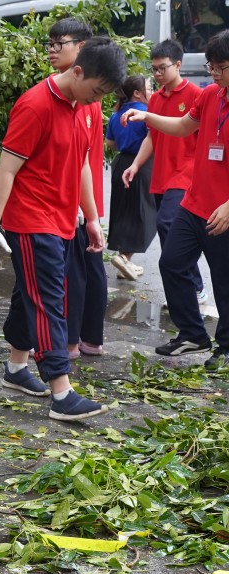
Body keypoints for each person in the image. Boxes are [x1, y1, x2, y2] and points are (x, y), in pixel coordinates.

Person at [0, 37, 126, 421]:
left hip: (63, 219)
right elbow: (6, 169)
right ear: (77, 71)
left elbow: (80, 166)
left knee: (27, 296)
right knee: (49, 300)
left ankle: (14, 368)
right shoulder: (35, 105)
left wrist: (91, 218)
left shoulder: (84, 107)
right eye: (95, 91)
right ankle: (61, 389)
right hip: (30, 220)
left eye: (103, 96)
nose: (97, 101)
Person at [124, 30, 229, 369]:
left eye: (221, 67)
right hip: (194, 202)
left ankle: (226, 347)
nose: (213, 73)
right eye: (211, 66)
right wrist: (147, 116)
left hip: (223, 210)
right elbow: (184, 126)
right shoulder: (212, 94)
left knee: (224, 280)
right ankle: (193, 334)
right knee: (171, 262)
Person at [123, 39, 207, 303]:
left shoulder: (196, 94)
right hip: (162, 175)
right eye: (154, 69)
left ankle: (194, 285)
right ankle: (193, 286)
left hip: (186, 173)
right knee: (171, 233)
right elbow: (151, 136)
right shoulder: (156, 98)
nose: (157, 74)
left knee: (167, 223)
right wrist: (135, 165)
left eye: (162, 68)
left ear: (178, 65)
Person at [46, 18, 108, 359]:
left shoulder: (83, 96)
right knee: (88, 270)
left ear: (81, 48)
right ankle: (86, 340)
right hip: (82, 204)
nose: (53, 50)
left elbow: (80, 159)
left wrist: (87, 212)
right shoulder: (71, 92)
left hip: (76, 204)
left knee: (78, 274)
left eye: (61, 43)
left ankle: (73, 342)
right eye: (51, 44)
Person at [105, 75, 156, 279]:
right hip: (141, 165)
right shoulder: (147, 114)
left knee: (123, 211)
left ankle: (124, 261)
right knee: (144, 213)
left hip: (121, 164)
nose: (152, 91)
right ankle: (125, 259)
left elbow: (111, 143)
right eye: (150, 87)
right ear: (137, 92)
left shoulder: (116, 115)